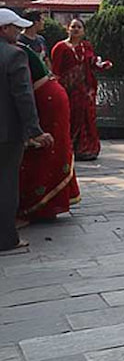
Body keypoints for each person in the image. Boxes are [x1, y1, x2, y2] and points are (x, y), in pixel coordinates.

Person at [0, 8, 53, 252]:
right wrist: (35, 131)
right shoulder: (14, 55)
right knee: (7, 183)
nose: (19, 31)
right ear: (4, 29)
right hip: (7, 134)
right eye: (16, 27)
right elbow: (23, 96)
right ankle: (6, 239)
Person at [16, 33, 79, 224]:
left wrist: (33, 130)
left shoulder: (14, 51)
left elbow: (22, 91)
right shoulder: (17, 47)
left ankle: (31, 209)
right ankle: (44, 205)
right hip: (49, 96)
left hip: (46, 100)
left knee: (38, 151)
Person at [51, 19, 111, 162]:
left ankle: (87, 150)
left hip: (85, 91)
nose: (76, 29)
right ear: (68, 29)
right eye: (73, 27)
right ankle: (67, 149)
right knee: (70, 118)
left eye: (79, 27)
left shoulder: (86, 46)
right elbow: (56, 71)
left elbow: (92, 62)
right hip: (68, 91)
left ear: (83, 31)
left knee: (87, 119)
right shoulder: (60, 47)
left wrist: (102, 65)